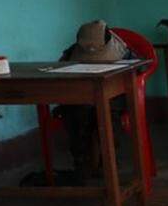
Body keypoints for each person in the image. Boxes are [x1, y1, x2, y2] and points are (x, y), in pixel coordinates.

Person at [57, 20, 135, 182]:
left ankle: (109, 163)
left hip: (113, 98)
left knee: (107, 115)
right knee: (74, 112)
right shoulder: (72, 52)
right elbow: (60, 71)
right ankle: (81, 163)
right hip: (83, 98)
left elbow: (138, 71)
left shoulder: (123, 51)